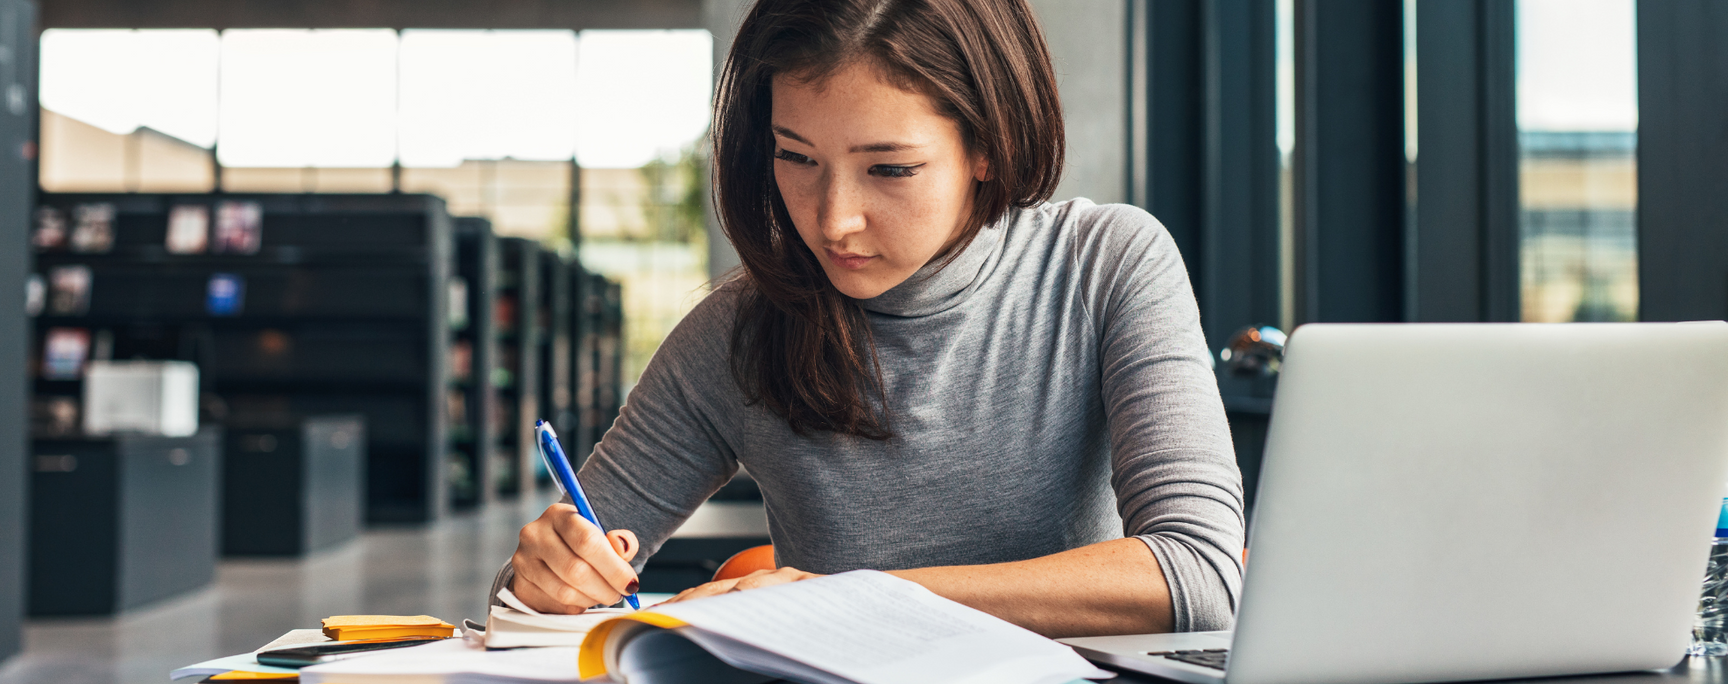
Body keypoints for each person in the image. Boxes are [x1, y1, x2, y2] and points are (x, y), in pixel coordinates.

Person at [495, 0, 1243, 638]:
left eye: (888, 169)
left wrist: (845, 603)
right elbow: (526, 603)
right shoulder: (735, 332)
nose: (833, 220)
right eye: (797, 157)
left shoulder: (1105, 264)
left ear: (987, 144)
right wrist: (544, 580)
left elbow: (1200, 575)